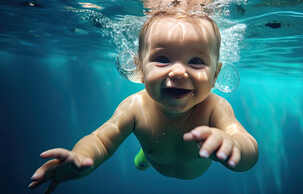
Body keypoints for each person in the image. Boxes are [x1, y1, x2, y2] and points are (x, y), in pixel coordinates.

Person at [29, 11, 258, 193]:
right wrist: (83, 156)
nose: (178, 71)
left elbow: (247, 145)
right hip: (154, 157)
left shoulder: (215, 107)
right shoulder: (134, 106)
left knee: (146, 156)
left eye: (196, 61)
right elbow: (101, 140)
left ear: (215, 75)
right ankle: (145, 156)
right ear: (139, 68)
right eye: (162, 59)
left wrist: (234, 146)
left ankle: (144, 156)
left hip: (186, 167)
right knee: (145, 158)